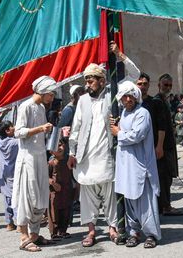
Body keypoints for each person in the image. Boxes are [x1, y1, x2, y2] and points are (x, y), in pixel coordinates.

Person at [69, 64, 120, 247]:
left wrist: (120, 56)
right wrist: (71, 152)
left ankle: (112, 228)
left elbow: (133, 75)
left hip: (106, 155)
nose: (88, 84)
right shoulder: (82, 100)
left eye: (91, 81)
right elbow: (75, 128)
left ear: (102, 81)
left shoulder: (112, 95)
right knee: (88, 197)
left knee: (109, 195)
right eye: (86, 81)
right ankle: (91, 231)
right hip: (86, 158)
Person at [111, 80, 161, 248]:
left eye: (131, 96)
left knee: (145, 201)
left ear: (136, 97)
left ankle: (151, 235)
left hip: (141, 165)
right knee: (130, 201)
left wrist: (118, 133)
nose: (128, 100)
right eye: (124, 97)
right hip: (126, 165)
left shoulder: (143, 113)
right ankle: (134, 232)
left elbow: (137, 135)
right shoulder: (123, 114)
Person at [12, 76, 57, 251]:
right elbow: (18, 132)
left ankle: (35, 235)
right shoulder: (26, 106)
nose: (52, 98)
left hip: (39, 156)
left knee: (40, 195)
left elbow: (40, 134)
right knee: (26, 196)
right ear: (42, 91)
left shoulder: (40, 108)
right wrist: (40, 129)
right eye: (50, 94)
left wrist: (48, 131)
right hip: (27, 157)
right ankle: (24, 237)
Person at [48, 85, 83, 240]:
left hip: (71, 155)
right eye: (80, 94)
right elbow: (61, 130)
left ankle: (64, 226)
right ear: (74, 96)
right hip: (67, 153)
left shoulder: (79, 108)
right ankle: (56, 229)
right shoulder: (70, 110)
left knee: (68, 196)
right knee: (57, 204)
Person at [155, 73, 182, 216]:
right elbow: (161, 126)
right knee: (164, 178)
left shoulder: (165, 100)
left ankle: (164, 205)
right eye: (165, 85)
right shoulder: (158, 101)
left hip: (169, 145)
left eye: (170, 85)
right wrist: (159, 146)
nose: (168, 87)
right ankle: (165, 206)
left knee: (168, 177)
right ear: (159, 85)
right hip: (163, 147)